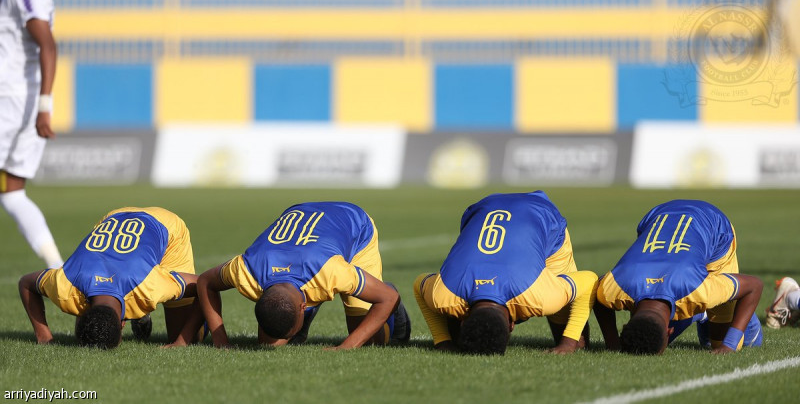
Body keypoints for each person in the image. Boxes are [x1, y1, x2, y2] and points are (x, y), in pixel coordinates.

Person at [168, 201, 411, 350]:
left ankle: (396, 317)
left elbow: (386, 298)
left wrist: (346, 347)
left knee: (369, 342)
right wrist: (220, 337)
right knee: (268, 343)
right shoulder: (246, 271)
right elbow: (205, 282)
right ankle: (304, 318)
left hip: (353, 223)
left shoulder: (333, 272)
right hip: (300, 219)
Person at [413, 191, 598, 355]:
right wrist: (443, 342)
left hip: (543, 217)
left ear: (511, 326)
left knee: (574, 337)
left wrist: (569, 342)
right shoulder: (443, 295)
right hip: (483, 208)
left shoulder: (540, 297)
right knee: (452, 316)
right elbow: (419, 283)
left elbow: (589, 280)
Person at [594, 199, 763, 355]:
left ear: (669, 331)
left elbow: (754, 286)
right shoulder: (614, 288)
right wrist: (612, 343)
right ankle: (699, 313)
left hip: (714, 227)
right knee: (644, 336)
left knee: (720, 344)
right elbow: (599, 297)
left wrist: (730, 344)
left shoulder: (700, 291)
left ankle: (708, 312)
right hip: (658, 215)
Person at [18, 207, 202, 349]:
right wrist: (44, 337)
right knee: (90, 324)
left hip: (165, 225)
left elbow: (203, 283)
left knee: (190, 337)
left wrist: (181, 341)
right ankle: (138, 312)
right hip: (114, 218)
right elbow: (26, 283)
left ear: (122, 324)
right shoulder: (66, 285)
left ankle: (140, 312)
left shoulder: (149, 287)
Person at [0, 0, 61, 268]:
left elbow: (47, 44)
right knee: (12, 193)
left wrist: (44, 105)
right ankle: (58, 271)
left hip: (9, 101)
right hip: (22, 100)